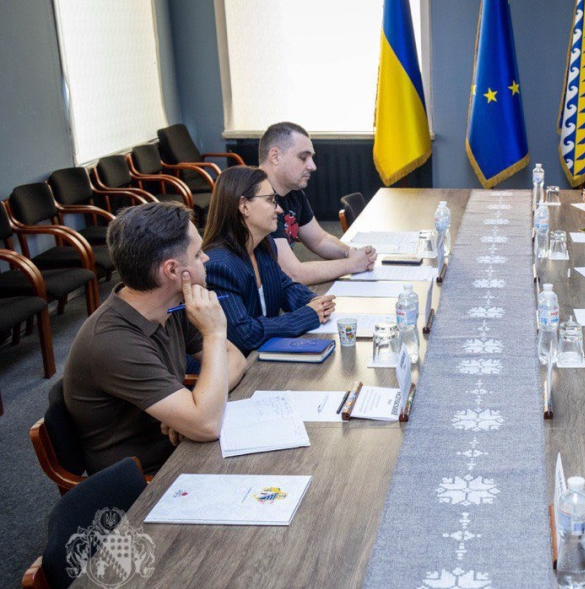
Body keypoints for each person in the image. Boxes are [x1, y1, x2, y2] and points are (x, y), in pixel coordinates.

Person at [64, 202, 247, 475]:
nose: (207, 258)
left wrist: (193, 406)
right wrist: (214, 333)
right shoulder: (113, 342)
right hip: (148, 479)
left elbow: (236, 359)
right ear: (172, 270)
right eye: (197, 254)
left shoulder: (173, 305)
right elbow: (207, 425)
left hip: (182, 449)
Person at [203, 166, 336, 354]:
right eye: (271, 201)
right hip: (242, 366)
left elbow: (285, 287)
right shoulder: (219, 266)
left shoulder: (264, 246)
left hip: (266, 355)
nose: (279, 209)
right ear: (244, 206)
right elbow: (245, 334)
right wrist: (307, 315)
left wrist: (315, 301)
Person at [258, 122, 376, 284]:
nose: (312, 166)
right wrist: (352, 264)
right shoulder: (256, 200)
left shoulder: (293, 192)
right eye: (303, 158)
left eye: (311, 158)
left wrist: (351, 253)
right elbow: (293, 274)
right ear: (275, 156)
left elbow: (319, 240)